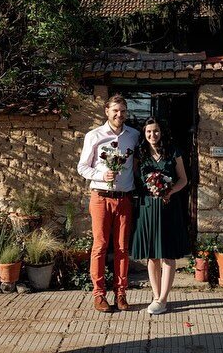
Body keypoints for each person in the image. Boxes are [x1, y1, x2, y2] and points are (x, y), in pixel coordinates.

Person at [77, 94, 139, 313]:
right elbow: (82, 167)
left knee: (122, 248)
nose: (119, 114)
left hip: (124, 198)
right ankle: (99, 294)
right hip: (101, 197)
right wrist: (102, 176)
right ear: (106, 111)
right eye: (115, 110)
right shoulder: (93, 136)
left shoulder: (134, 135)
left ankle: (121, 294)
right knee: (100, 246)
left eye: (122, 111)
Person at [131, 117, 190, 315]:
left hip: (168, 207)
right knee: (152, 255)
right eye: (148, 132)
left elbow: (183, 179)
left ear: (161, 132)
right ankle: (156, 296)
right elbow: (136, 180)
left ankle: (163, 298)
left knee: (167, 254)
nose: (152, 135)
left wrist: (169, 191)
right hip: (147, 207)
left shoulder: (173, 151)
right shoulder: (140, 153)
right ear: (144, 133)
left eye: (155, 131)